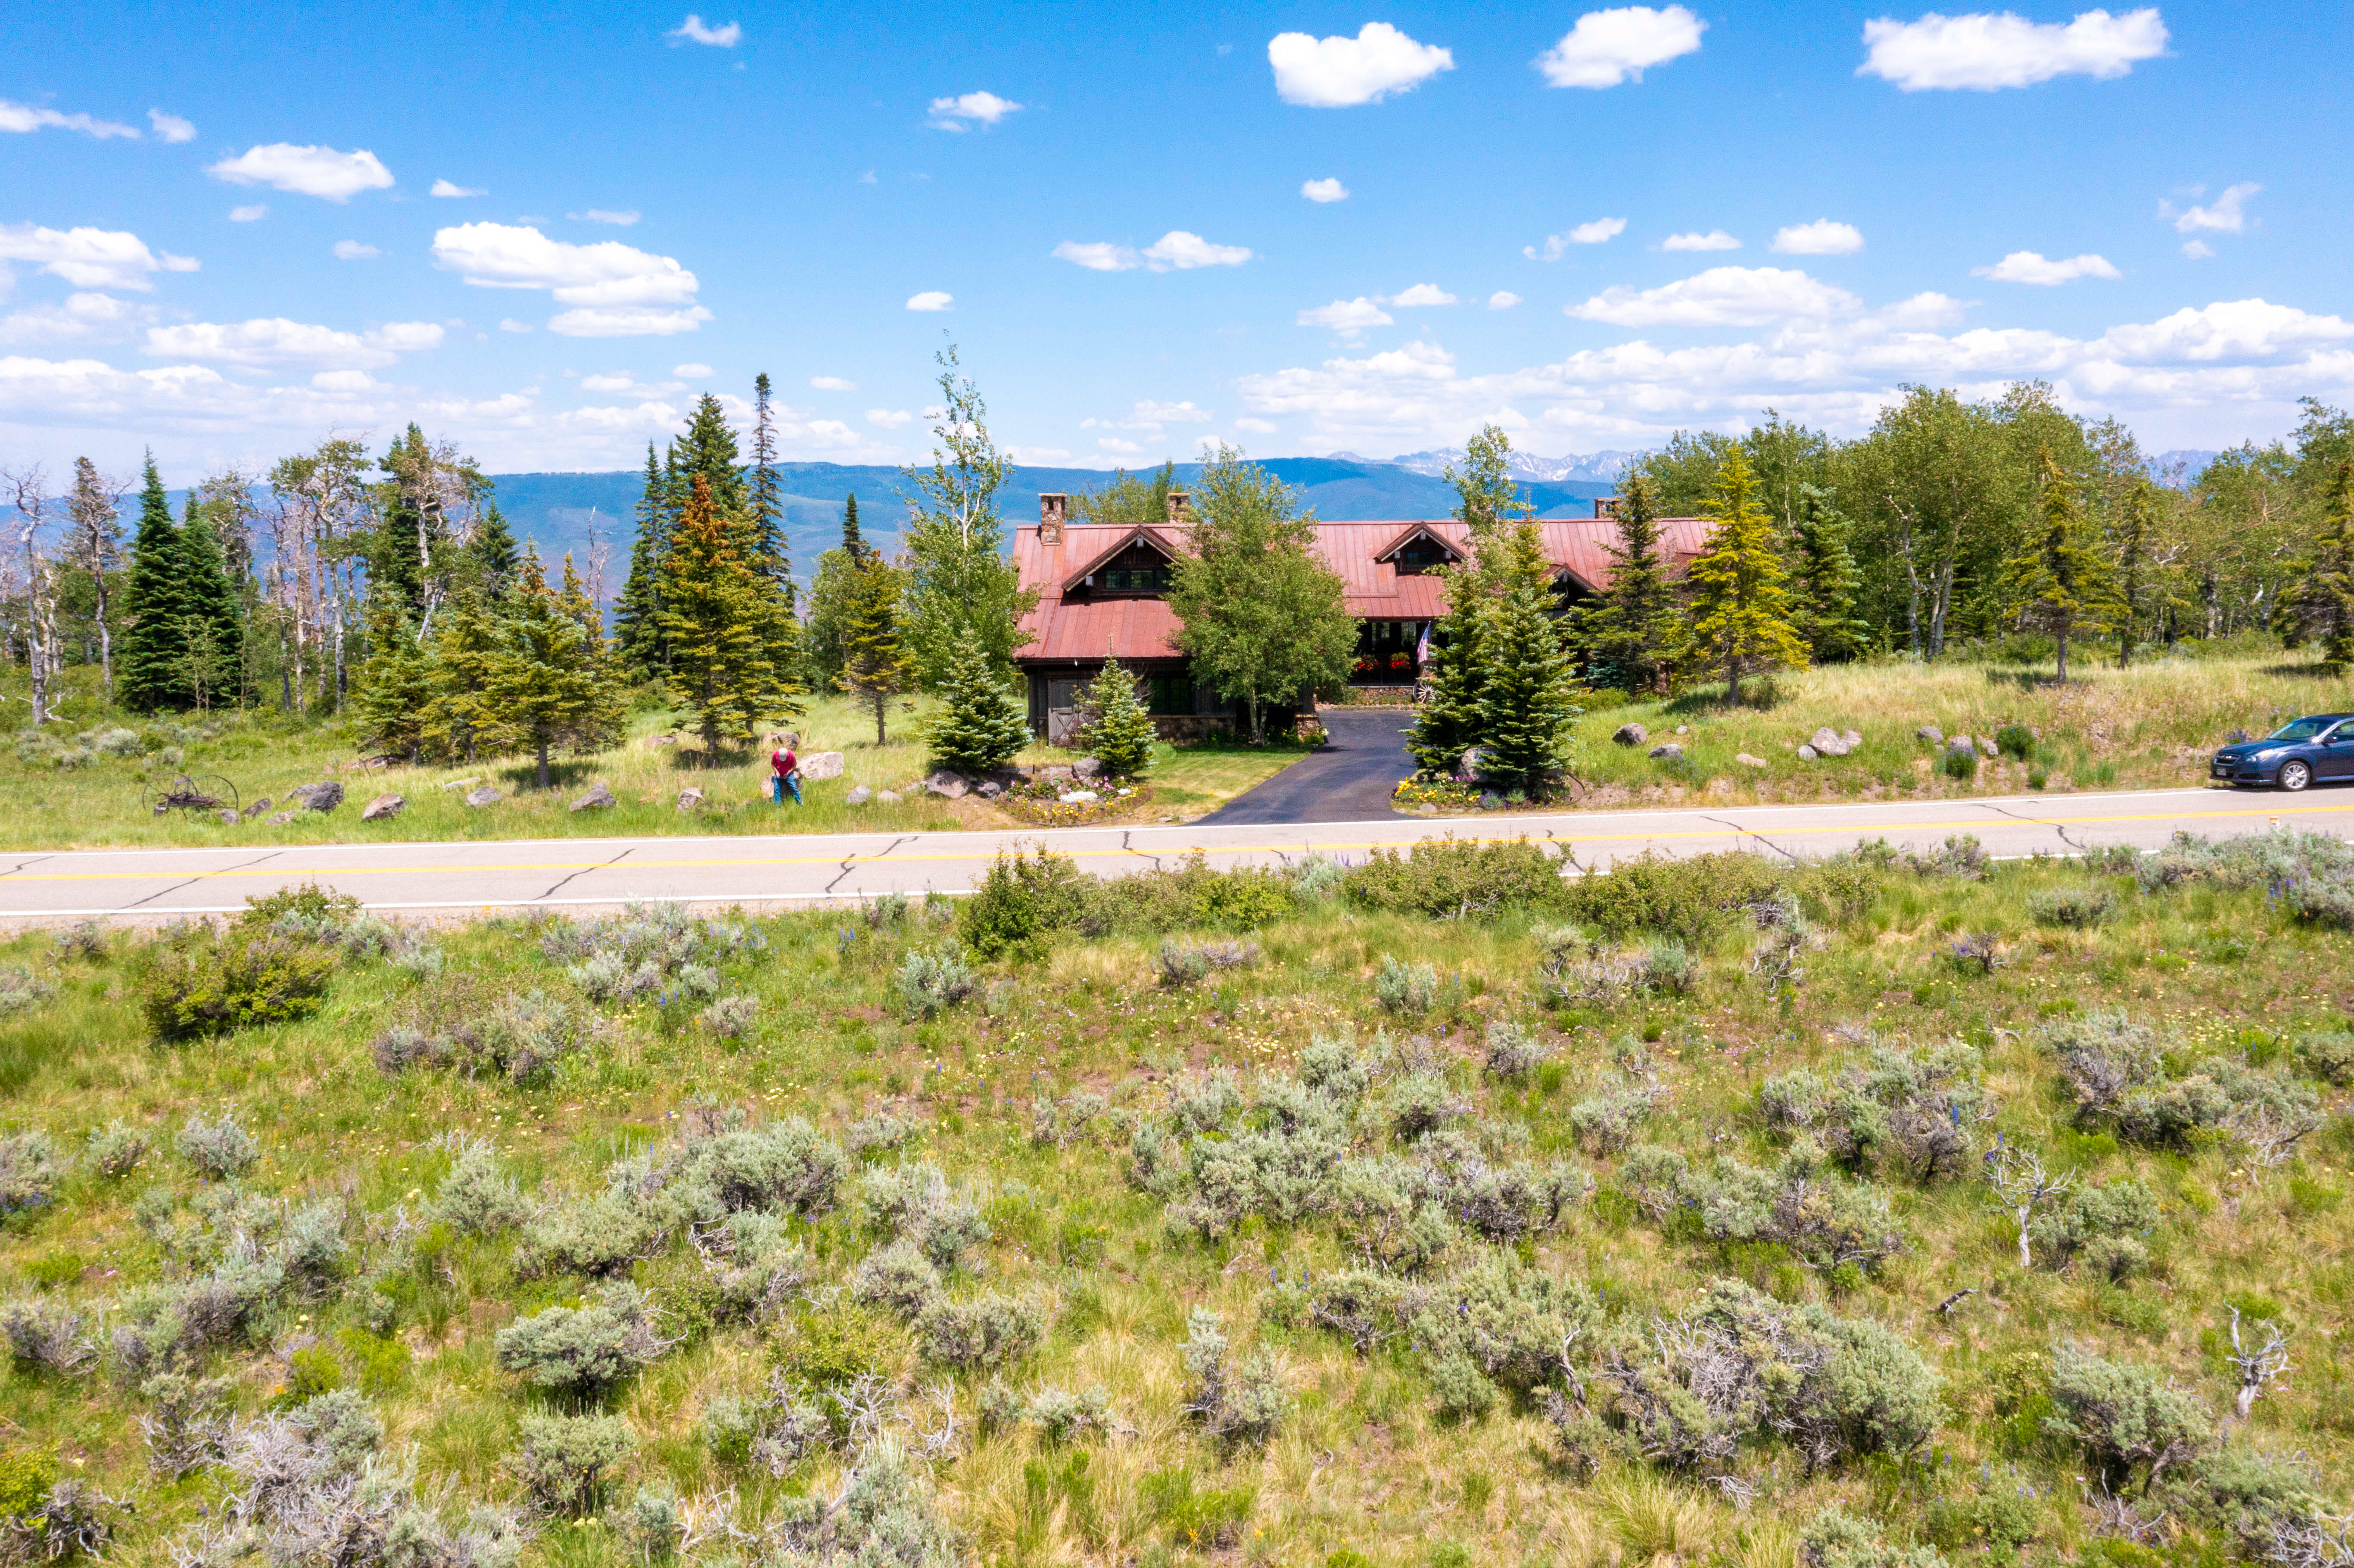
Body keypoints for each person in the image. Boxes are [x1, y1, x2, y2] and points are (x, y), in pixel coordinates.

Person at [771, 742, 801, 806]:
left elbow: (794, 766)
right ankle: (778, 806)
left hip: (789, 774)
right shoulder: (775, 754)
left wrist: (788, 774)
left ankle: (800, 803)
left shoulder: (791, 755)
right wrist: (777, 772)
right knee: (777, 789)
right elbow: (773, 764)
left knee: (794, 788)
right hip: (779, 775)